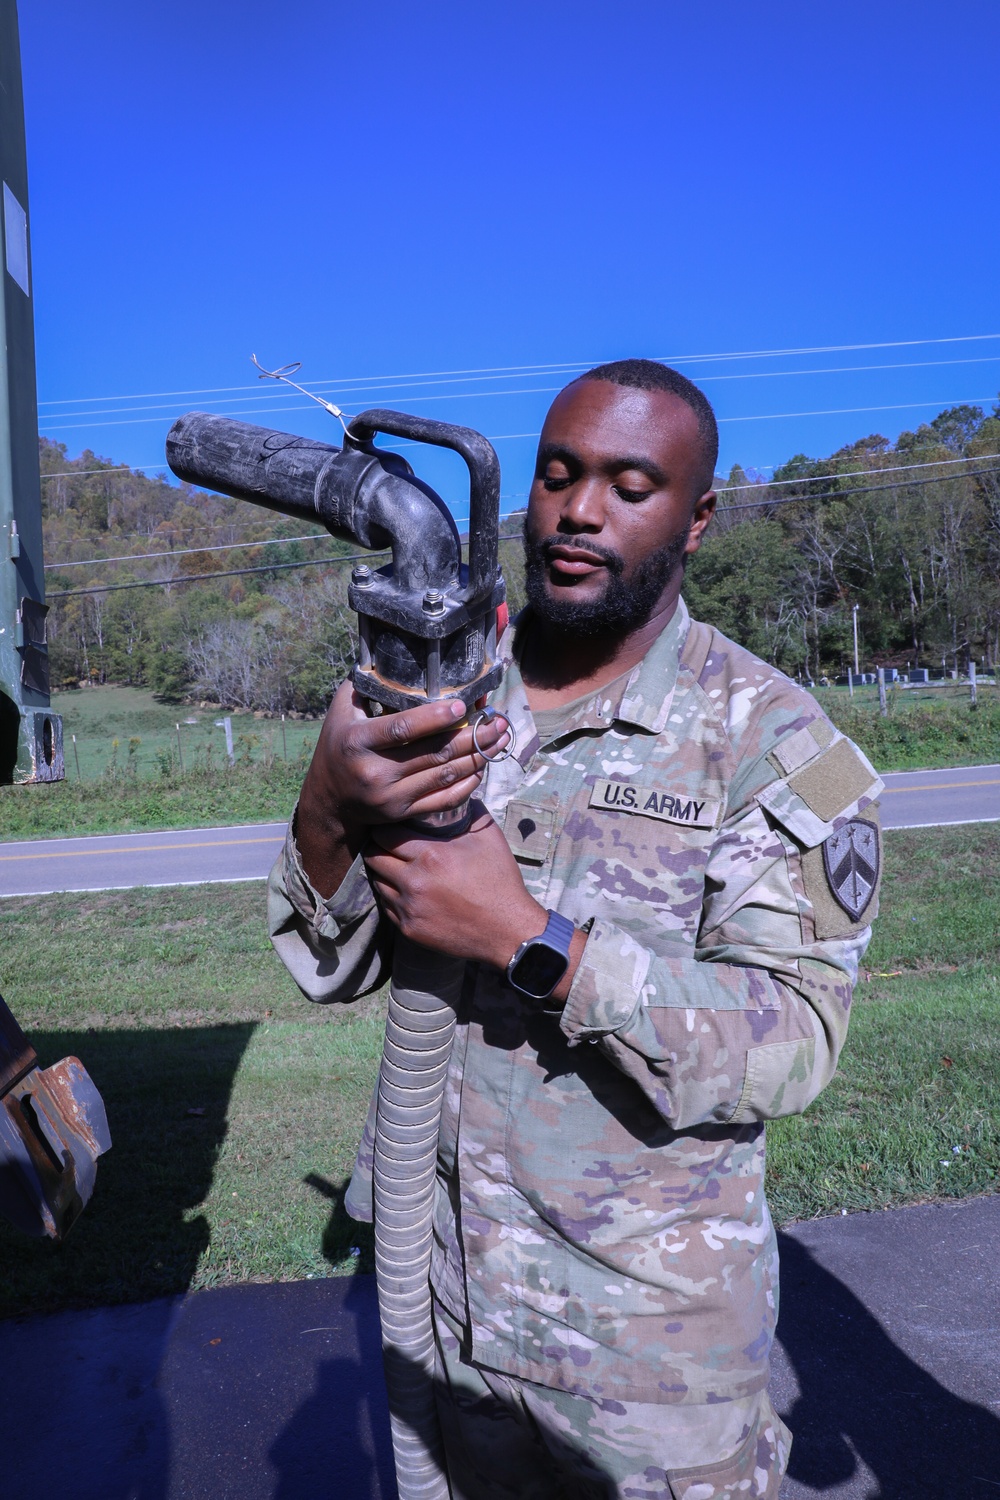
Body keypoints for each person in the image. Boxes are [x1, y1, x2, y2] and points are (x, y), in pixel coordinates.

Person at [268, 359, 883, 1498]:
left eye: (628, 483)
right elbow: (325, 963)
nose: (578, 509)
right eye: (557, 474)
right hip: (439, 1308)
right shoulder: (449, 689)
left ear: (695, 518)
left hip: (642, 1355)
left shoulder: (768, 739)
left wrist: (525, 936)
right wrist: (325, 796)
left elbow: (792, 1041)